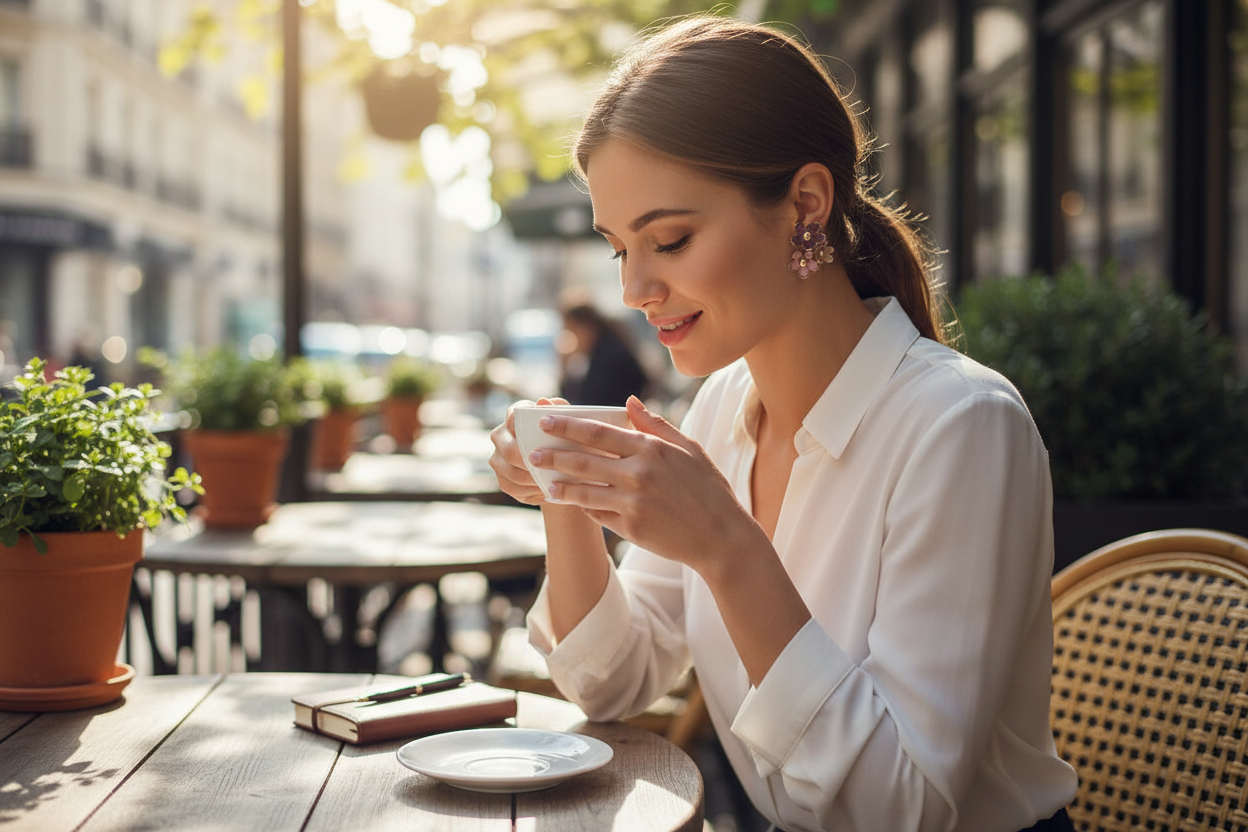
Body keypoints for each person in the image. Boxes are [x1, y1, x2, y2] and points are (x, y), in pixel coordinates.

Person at [488, 16, 1077, 832]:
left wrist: (729, 550)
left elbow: (898, 810)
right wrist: (567, 486)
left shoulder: (961, 428)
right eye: (620, 248)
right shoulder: (724, 407)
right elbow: (613, 683)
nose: (635, 289)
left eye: (671, 239)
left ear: (805, 203)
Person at [558, 301, 650, 406]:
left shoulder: (609, 357)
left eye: (572, 332)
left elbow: (588, 402)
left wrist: (564, 368)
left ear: (586, 327)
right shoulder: (603, 350)